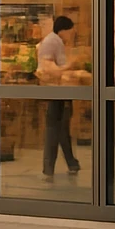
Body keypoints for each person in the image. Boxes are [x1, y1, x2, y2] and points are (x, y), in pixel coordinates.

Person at [36, 15, 81, 179]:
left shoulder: (56, 41)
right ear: (64, 30)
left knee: (61, 127)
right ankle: (48, 167)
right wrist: (72, 66)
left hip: (60, 90)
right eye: (70, 32)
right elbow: (49, 68)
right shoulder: (52, 41)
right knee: (54, 128)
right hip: (54, 91)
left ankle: (71, 162)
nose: (71, 36)